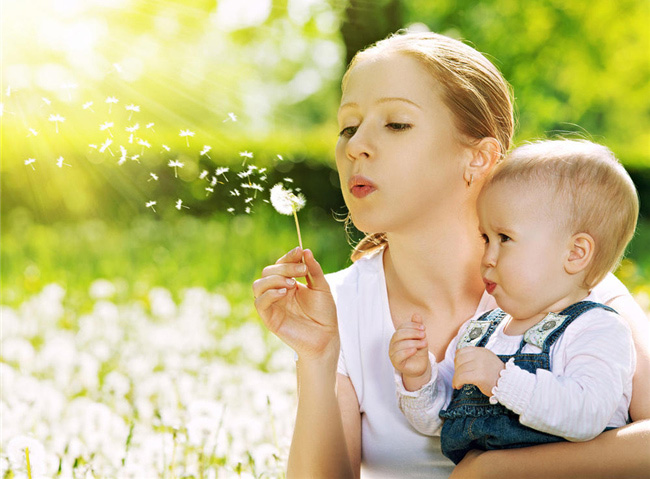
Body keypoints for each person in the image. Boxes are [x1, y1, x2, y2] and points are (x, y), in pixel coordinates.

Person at [252, 30, 650, 479]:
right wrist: (319, 359)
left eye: (396, 123)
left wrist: (495, 471)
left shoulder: (571, 288)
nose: (354, 145)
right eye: (348, 126)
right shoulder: (340, 308)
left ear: (478, 158)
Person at [390, 140, 637, 465]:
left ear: (575, 253)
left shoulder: (597, 328)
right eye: (485, 238)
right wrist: (419, 377)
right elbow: (438, 421)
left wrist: (502, 379)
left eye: (504, 238)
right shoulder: (481, 332)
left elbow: (587, 414)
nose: (488, 256)